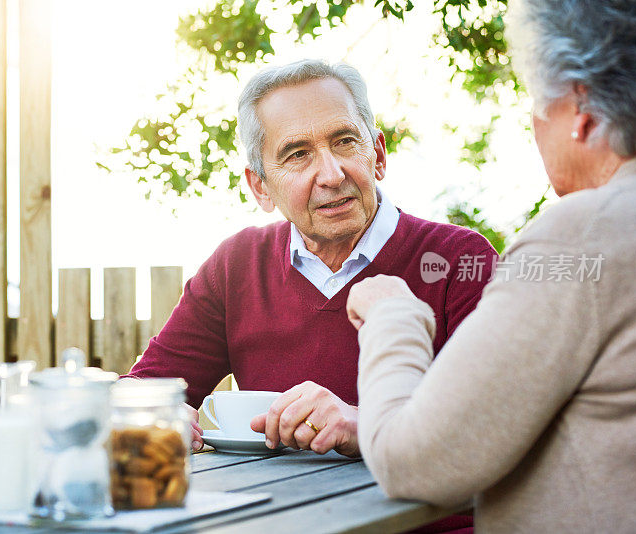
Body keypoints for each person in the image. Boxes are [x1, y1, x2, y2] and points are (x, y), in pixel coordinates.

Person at [348, 1, 636, 532]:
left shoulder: (582, 236)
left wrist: (393, 315)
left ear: (581, 107)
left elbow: (415, 462)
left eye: (535, 103)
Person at [129, 59, 497, 464]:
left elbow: (498, 422)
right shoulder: (236, 266)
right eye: (298, 154)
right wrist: (153, 415)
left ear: (377, 155)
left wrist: (365, 424)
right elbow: (143, 390)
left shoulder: (461, 259)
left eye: (344, 141)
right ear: (261, 186)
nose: (332, 174)